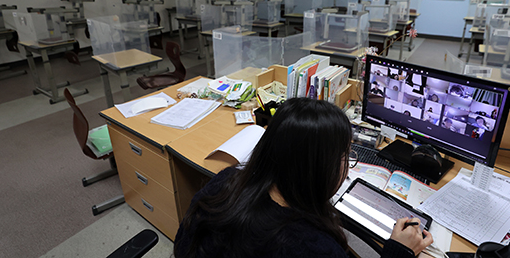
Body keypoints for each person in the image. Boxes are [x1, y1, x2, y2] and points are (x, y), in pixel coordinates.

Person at [174, 98, 433, 258]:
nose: (347, 163)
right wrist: (399, 252)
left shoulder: (225, 181)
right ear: (318, 169)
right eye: (345, 155)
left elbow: (182, 246)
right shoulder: (311, 246)